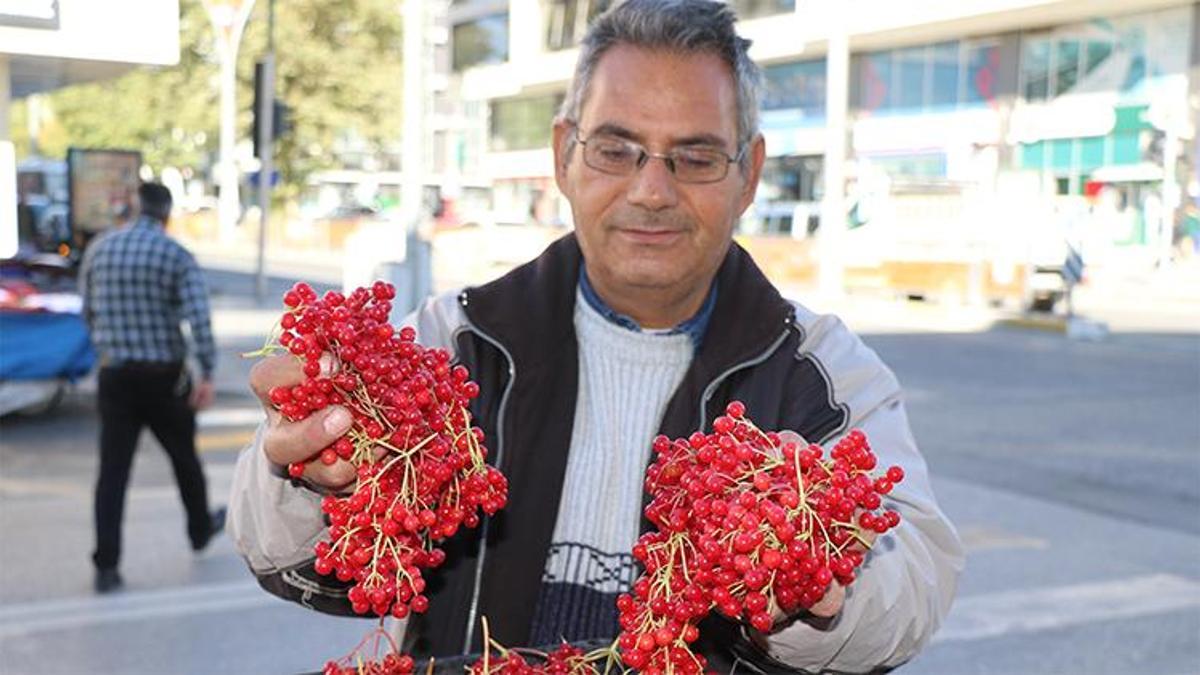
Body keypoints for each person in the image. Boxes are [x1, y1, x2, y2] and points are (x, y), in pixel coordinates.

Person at [229, 1, 964, 671]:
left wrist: (818, 583)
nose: (652, 189)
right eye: (617, 149)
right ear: (564, 155)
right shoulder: (450, 344)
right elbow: (294, 561)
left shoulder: (822, 374)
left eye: (697, 157)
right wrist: (302, 469)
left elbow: (914, 577)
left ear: (750, 174)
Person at [80, 181, 226, 594]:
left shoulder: (100, 249)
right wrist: (208, 373)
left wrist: (107, 348)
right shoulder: (176, 255)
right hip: (163, 377)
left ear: (134, 207)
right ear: (166, 214)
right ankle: (199, 529)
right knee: (184, 459)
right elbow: (199, 320)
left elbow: (87, 310)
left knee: (112, 472)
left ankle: (106, 565)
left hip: (116, 375)